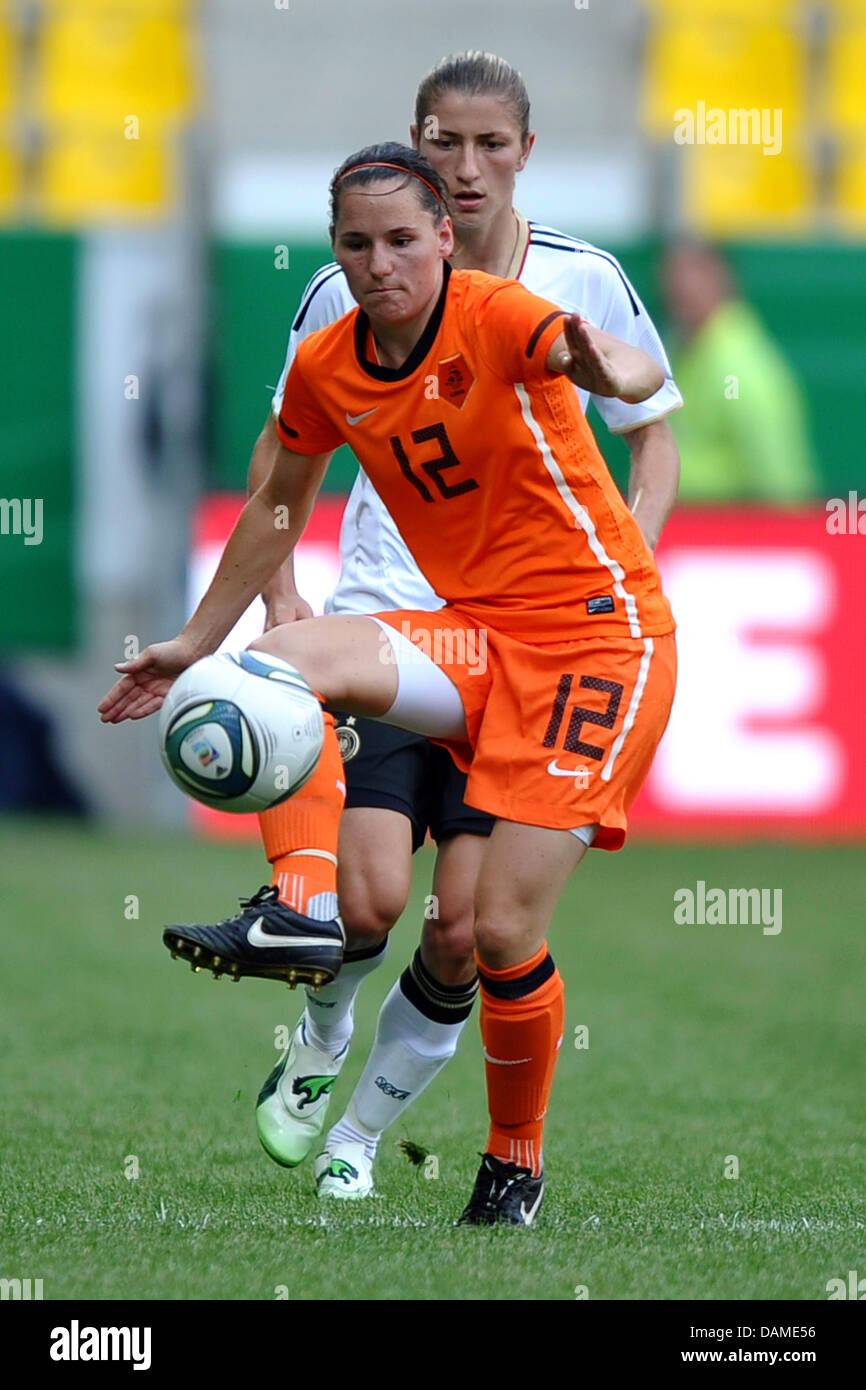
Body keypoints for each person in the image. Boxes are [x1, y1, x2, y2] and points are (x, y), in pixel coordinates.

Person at [100, 142, 678, 1226]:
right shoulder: (327, 364)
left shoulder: (502, 314)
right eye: (357, 245)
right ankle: (298, 907)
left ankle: (512, 1158)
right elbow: (277, 507)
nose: (380, 265)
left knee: (494, 930)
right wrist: (193, 639)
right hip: (473, 636)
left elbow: (632, 380)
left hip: (597, 643)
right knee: (276, 665)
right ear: (335, 251)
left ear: (443, 243)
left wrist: (615, 367)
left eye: (402, 241)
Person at [660, 239, 817, 501]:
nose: (684, 286)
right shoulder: (683, 348)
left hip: (731, 529)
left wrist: (788, 526)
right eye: (676, 274)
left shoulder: (736, 366)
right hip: (690, 526)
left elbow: (775, 465)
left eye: (698, 272)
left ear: (723, 279)